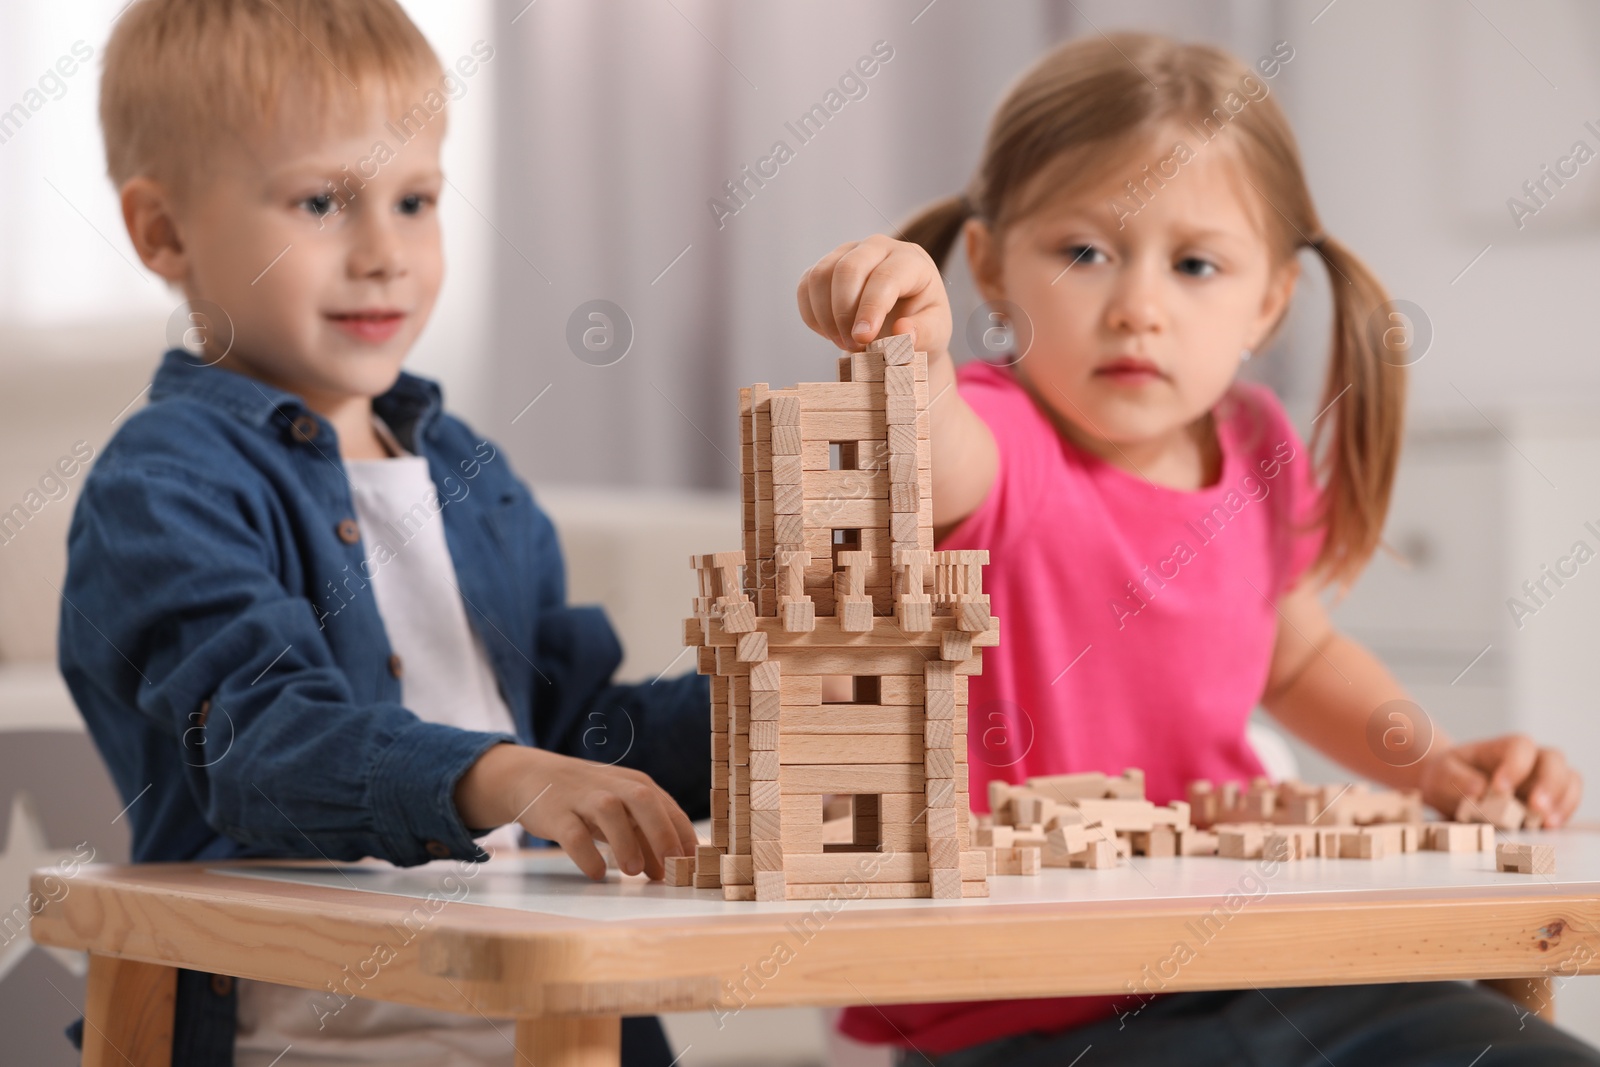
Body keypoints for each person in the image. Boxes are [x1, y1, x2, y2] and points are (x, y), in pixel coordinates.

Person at [798, 31, 1595, 1067]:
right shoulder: (995, 433)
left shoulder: (1258, 442)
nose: (1138, 305)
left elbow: (1296, 655)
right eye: (1082, 252)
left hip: (1269, 962)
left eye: (1195, 264)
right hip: (1023, 1003)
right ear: (991, 270)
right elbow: (935, 447)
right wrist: (914, 357)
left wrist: (1435, 761)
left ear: (1266, 300)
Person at [59, 2, 703, 1063]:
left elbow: (576, 730)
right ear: (163, 230)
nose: (383, 253)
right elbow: (259, 739)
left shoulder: (472, 476)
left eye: (415, 200)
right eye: (322, 201)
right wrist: (505, 774)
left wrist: (763, 715)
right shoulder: (163, 482)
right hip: (301, 1038)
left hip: (546, 1015)